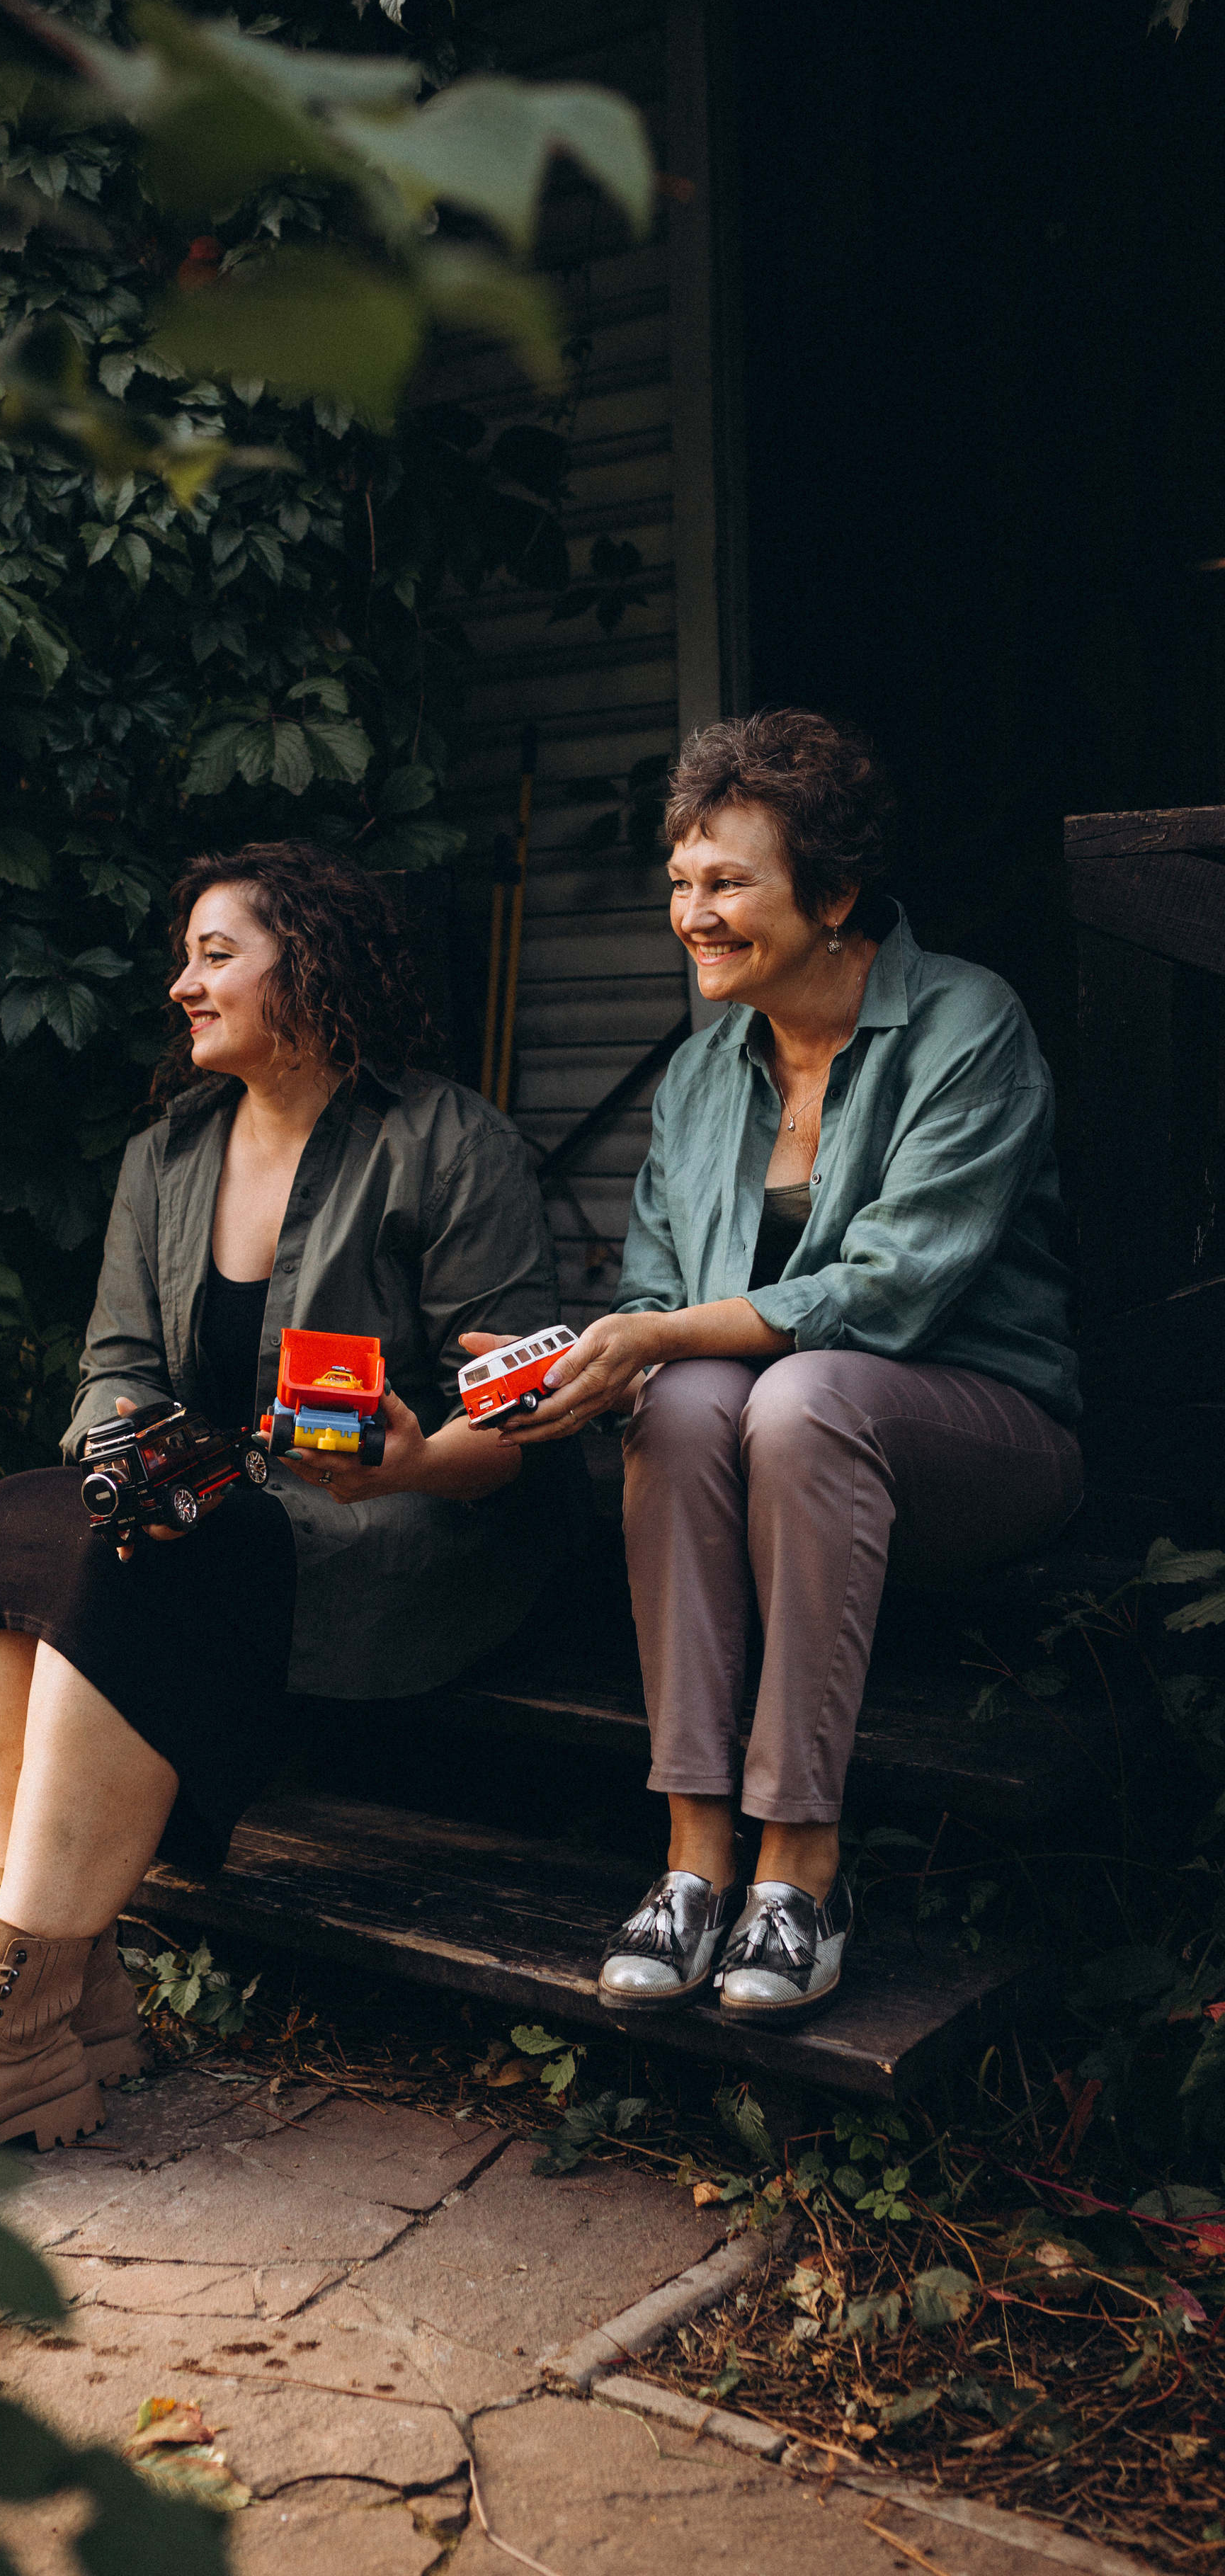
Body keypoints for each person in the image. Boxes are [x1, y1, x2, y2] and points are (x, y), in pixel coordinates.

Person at [0, 840, 586, 2185]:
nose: (182, 986)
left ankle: (12, 2008)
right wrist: (130, 1463)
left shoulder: (450, 1143)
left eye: (217, 955)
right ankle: (65, 1995)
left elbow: (519, 1417)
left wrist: (406, 1459)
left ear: (312, 970)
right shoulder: (169, 1155)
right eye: (188, 958)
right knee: (8, 1530)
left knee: (164, 1549)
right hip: (211, 1519)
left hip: (406, 1536)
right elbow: (118, 1363)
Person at [472, 710, 1083, 2027]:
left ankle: (804, 1874)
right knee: (685, 1399)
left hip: (981, 1437)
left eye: (729, 882)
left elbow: (894, 1289)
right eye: (682, 883)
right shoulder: (702, 1075)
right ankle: (696, 1863)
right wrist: (587, 1361)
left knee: (800, 1392)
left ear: (836, 893)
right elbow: (655, 1297)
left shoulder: (968, 1024)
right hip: (780, 1458)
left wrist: (664, 1330)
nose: (694, 913)